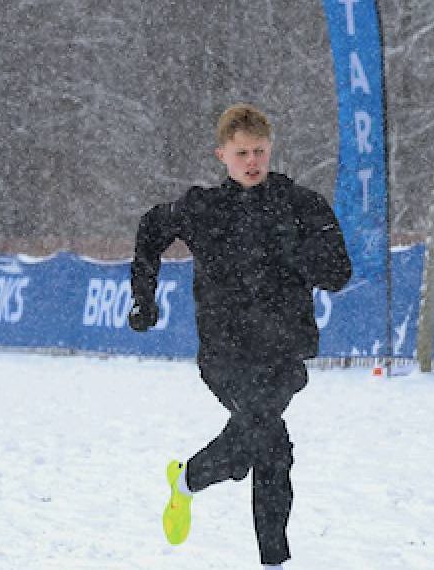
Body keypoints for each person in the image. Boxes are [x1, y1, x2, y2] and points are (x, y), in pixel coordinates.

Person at [128, 103, 352, 568]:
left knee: (261, 441)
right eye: (242, 153)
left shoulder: (301, 205)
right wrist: (143, 299)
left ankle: (187, 480)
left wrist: (299, 252)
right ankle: (274, 560)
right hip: (226, 353)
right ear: (222, 156)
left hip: (283, 354)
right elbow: (150, 231)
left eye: (260, 151)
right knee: (270, 441)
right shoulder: (204, 209)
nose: (252, 162)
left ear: (271, 150)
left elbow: (338, 274)